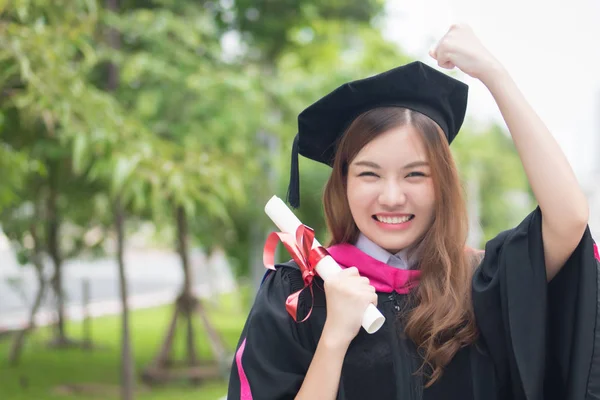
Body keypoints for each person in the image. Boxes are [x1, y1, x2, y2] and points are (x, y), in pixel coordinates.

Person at [227, 24, 600, 400]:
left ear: (442, 185)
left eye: (415, 175)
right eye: (369, 174)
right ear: (343, 182)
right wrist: (335, 337)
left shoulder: (481, 284)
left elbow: (568, 218)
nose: (392, 197)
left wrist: (494, 74)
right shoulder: (298, 295)